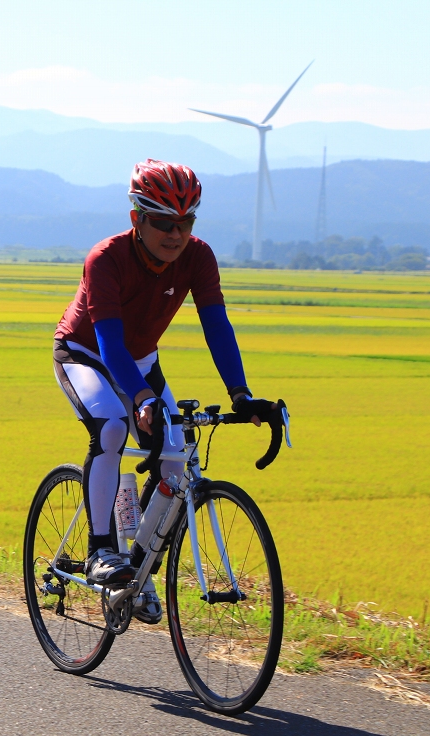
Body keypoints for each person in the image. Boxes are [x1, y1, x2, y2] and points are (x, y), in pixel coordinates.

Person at [53, 159, 274, 625]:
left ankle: (138, 563)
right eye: (164, 223)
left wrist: (241, 393)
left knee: (176, 452)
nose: (176, 235)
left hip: (141, 361)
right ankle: (100, 550)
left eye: (186, 223)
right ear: (137, 218)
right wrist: (141, 398)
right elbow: (110, 346)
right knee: (112, 427)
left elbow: (217, 326)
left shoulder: (198, 257)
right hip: (85, 354)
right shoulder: (106, 259)